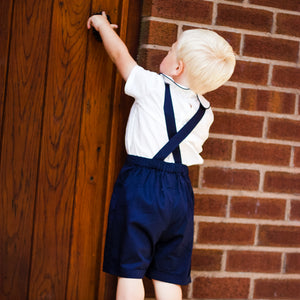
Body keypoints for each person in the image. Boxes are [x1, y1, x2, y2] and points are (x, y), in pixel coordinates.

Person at [87, 12, 235, 300]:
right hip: (179, 191)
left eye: (171, 50)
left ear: (178, 66)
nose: (167, 53)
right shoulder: (205, 112)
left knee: (130, 269)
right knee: (167, 274)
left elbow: (120, 55)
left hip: (143, 184)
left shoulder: (152, 86)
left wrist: (103, 25)